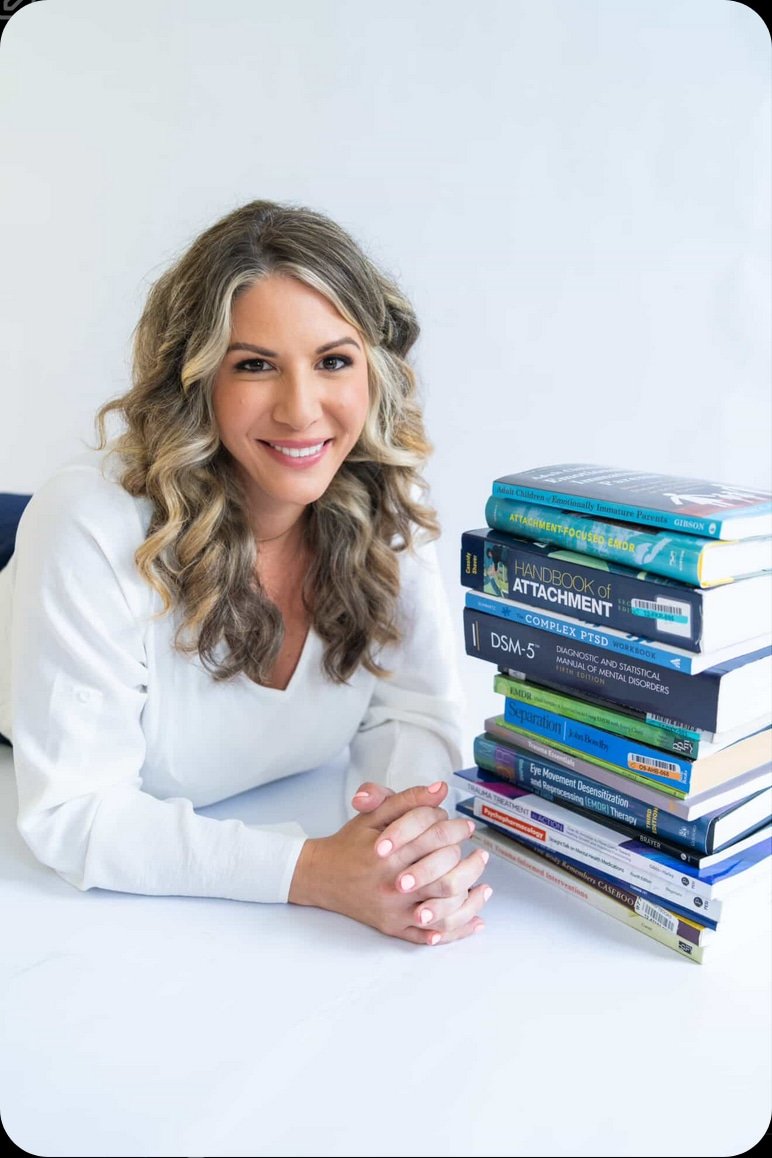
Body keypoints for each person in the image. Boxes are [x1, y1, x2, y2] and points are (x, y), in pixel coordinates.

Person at [0, 199, 491, 946]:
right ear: (195, 380)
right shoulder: (88, 525)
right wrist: (317, 871)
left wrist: (404, 851)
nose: (302, 411)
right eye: (255, 365)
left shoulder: (387, 501)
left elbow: (416, 716)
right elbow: (72, 811)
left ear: (375, 372)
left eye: (333, 361)